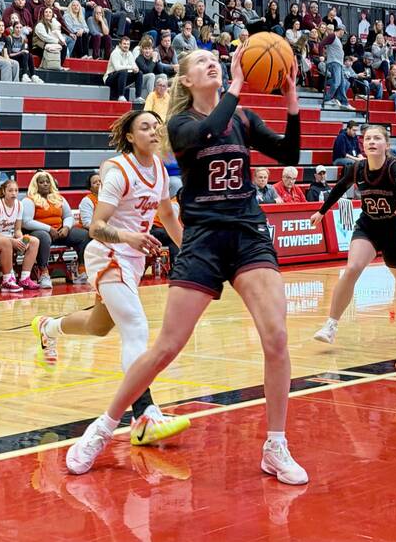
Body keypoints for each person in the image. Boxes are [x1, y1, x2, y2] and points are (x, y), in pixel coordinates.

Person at [63, 47, 308, 485]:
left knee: (277, 337)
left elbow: (289, 151)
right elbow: (210, 132)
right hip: (204, 239)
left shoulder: (245, 119)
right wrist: (237, 81)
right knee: (166, 346)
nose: (212, 62)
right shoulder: (179, 125)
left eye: (216, 58)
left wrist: (291, 98)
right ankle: (102, 428)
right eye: (201, 61)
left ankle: (275, 445)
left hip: (248, 233)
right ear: (187, 81)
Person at [35, 110, 189, 467]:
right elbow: (97, 227)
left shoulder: (161, 171)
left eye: (157, 126)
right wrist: (129, 236)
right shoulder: (119, 171)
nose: (154, 131)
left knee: (99, 326)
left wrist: (191, 252)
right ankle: (144, 414)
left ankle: (48, 327)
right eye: (145, 127)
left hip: (131, 262)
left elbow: (167, 216)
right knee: (135, 327)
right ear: (132, 137)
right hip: (108, 254)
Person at [311, 125, 396, 344]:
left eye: (377, 138)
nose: (371, 141)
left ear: (386, 145)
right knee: (351, 269)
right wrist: (322, 211)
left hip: (394, 231)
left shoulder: (395, 167)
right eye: (368, 138)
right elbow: (340, 187)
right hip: (368, 227)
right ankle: (331, 325)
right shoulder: (358, 168)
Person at [21, 171, 90, 288]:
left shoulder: (59, 198)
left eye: (48, 182)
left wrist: (67, 227)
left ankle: (81, 268)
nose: (45, 184)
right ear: (35, 184)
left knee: (84, 235)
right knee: (43, 236)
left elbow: (68, 216)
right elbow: (26, 222)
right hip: (40, 233)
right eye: (41, 182)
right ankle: (44, 273)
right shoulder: (28, 200)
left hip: (59, 232)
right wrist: (49, 229)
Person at [0, 180, 40, 289]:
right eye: (10, 190)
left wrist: (22, 239)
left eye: (16, 190)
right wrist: (12, 241)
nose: (14, 193)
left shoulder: (19, 204)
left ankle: (25, 278)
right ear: (4, 191)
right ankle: (8, 279)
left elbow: (17, 229)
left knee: (34, 241)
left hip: (11, 236)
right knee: (7, 243)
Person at [320, 25, 354, 110]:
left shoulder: (337, 39)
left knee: (343, 84)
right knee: (337, 83)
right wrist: (321, 55)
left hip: (339, 64)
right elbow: (321, 44)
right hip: (334, 63)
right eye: (343, 32)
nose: (343, 34)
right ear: (341, 30)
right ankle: (327, 99)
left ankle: (344, 102)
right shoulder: (332, 36)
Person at [103, 37, 145, 102]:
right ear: (120, 44)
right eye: (124, 44)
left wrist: (136, 69)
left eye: (128, 44)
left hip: (122, 78)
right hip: (110, 78)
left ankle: (138, 97)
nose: (126, 46)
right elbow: (117, 68)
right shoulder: (115, 53)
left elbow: (134, 66)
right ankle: (121, 96)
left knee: (139, 73)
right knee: (123, 71)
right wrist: (131, 67)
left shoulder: (130, 53)